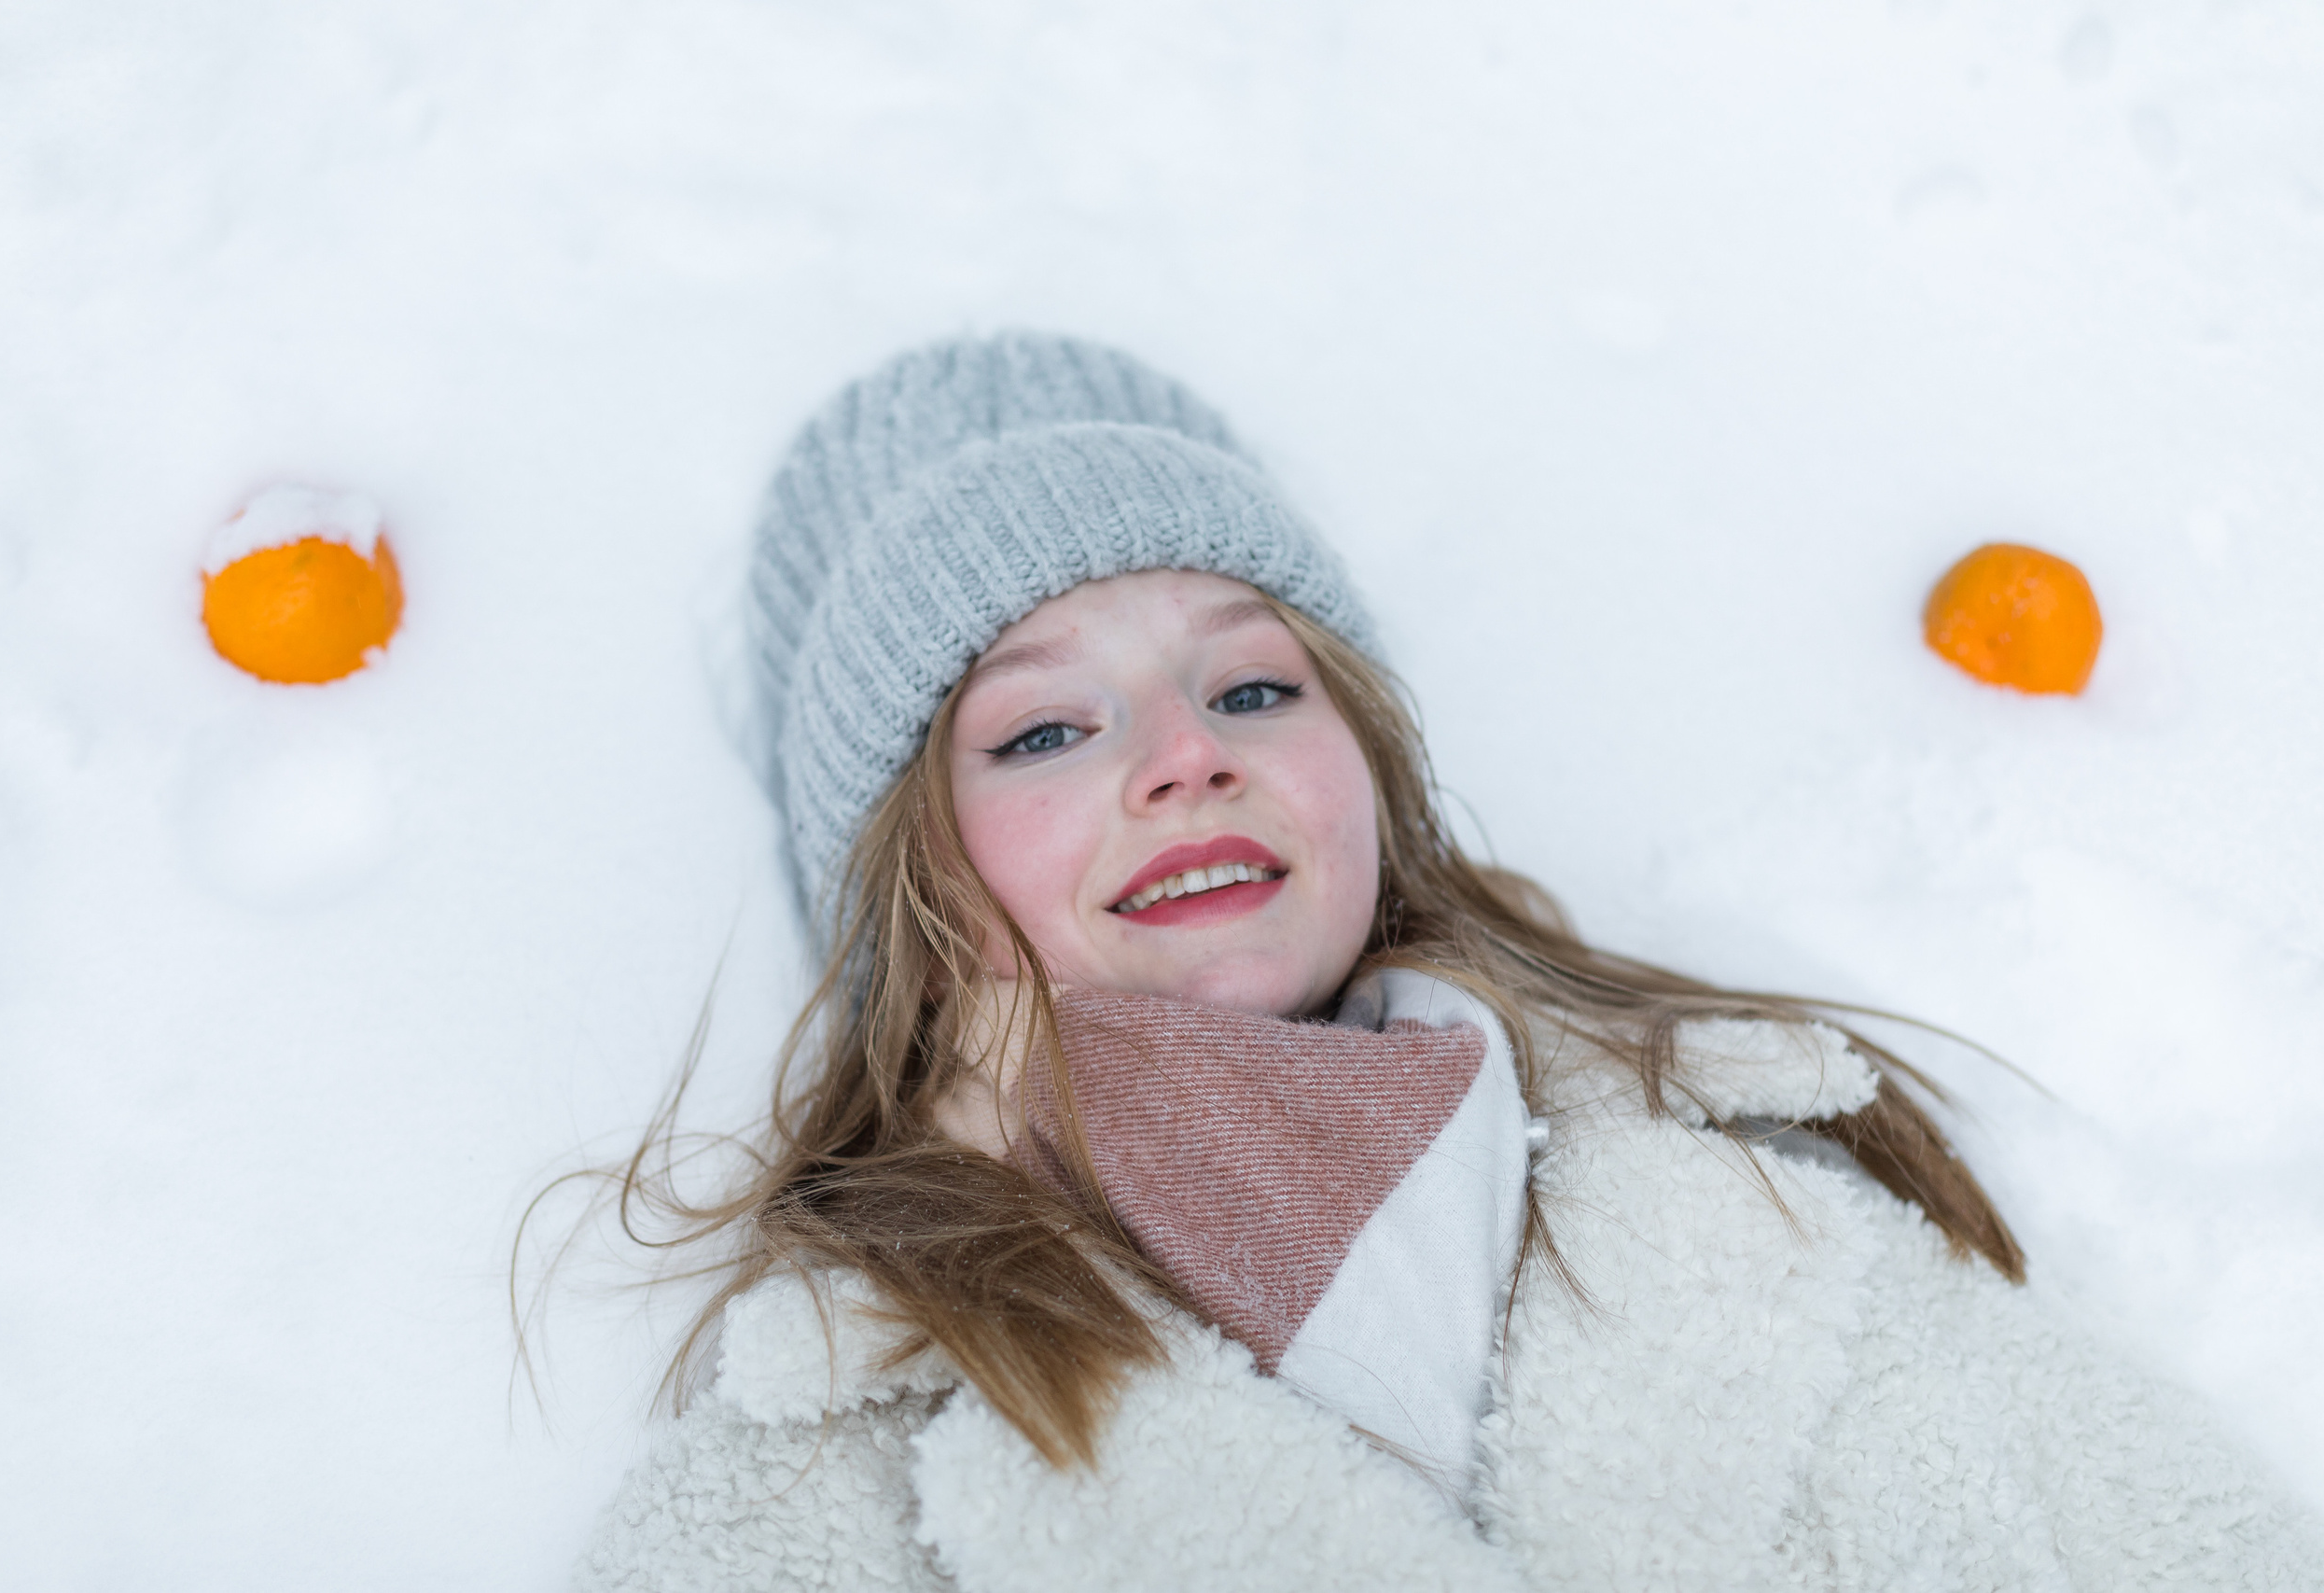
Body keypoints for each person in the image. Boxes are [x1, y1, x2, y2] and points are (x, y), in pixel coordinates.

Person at [570, 332, 2323, 1591]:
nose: (1185, 752)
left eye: (1255, 686)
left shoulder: (1747, 1207)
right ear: (911, 901)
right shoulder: (823, 1456)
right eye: (1040, 732)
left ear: (1378, 793)